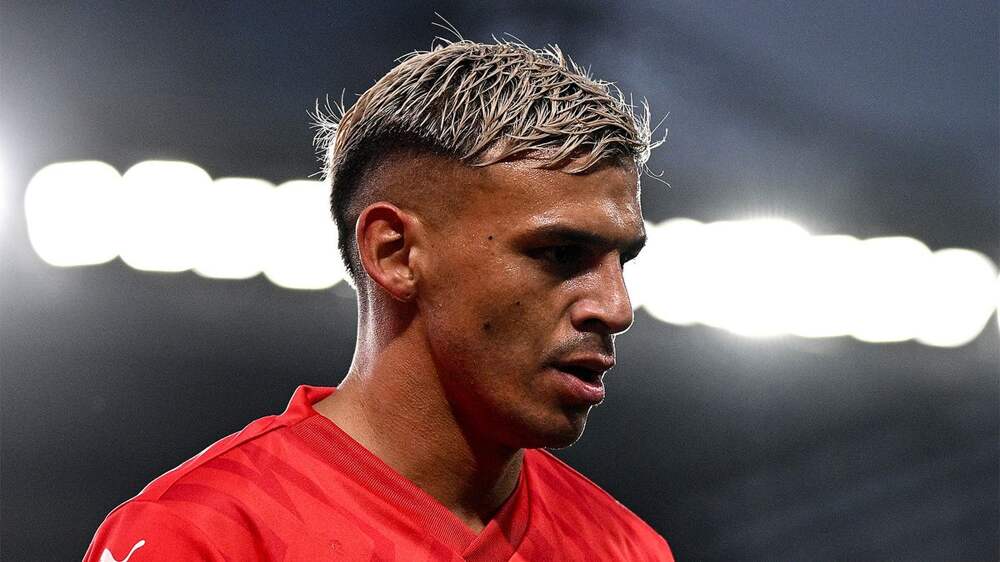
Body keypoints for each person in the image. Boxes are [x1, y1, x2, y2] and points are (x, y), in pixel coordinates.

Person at [85, 37, 673, 561]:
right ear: (395, 254)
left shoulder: (630, 550)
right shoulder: (200, 536)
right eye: (561, 253)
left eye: (622, 261)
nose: (616, 308)